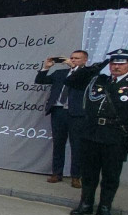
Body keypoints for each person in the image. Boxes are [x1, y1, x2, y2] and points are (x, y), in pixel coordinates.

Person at [66, 49, 128, 215]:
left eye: (121, 64)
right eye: (113, 63)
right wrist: (95, 67)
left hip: (115, 135)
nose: (116, 67)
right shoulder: (100, 79)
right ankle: (85, 203)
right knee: (89, 172)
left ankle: (105, 207)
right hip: (91, 133)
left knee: (111, 175)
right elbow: (71, 81)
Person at [35, 51, 89, 187]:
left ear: (85, 60)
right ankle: (56, 173)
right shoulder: (60, 73)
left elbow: (84, 83)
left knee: (77, 145)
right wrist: (46, 67)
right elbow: (40, 81)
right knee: (58, 143)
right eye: (72, 58)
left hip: (76, 113)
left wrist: (75, 69)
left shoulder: (87, 74)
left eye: (77, 58)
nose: (73, 60)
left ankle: (76, 176)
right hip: (58, 111)